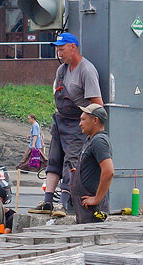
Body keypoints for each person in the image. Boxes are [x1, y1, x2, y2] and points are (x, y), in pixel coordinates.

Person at [32, 32, 103, 218]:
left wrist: (88, 127)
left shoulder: (86, 70)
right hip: (60, 120)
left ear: (73, 47)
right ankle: (48, 201)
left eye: (62, 49)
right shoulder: (62, 70)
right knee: (54, 161)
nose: (59, 53)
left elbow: (97, 105)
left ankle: (63, 203)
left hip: (77, 124)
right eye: (57, 49)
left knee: (71, 162)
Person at [72, 103, 113, 224]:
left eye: (83, 119)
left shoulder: (99, 141)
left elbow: (109, 171)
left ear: (95, 120)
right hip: (85, 210)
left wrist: (97, 199)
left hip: (93, 211)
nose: (80, 123)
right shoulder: (90, 140)